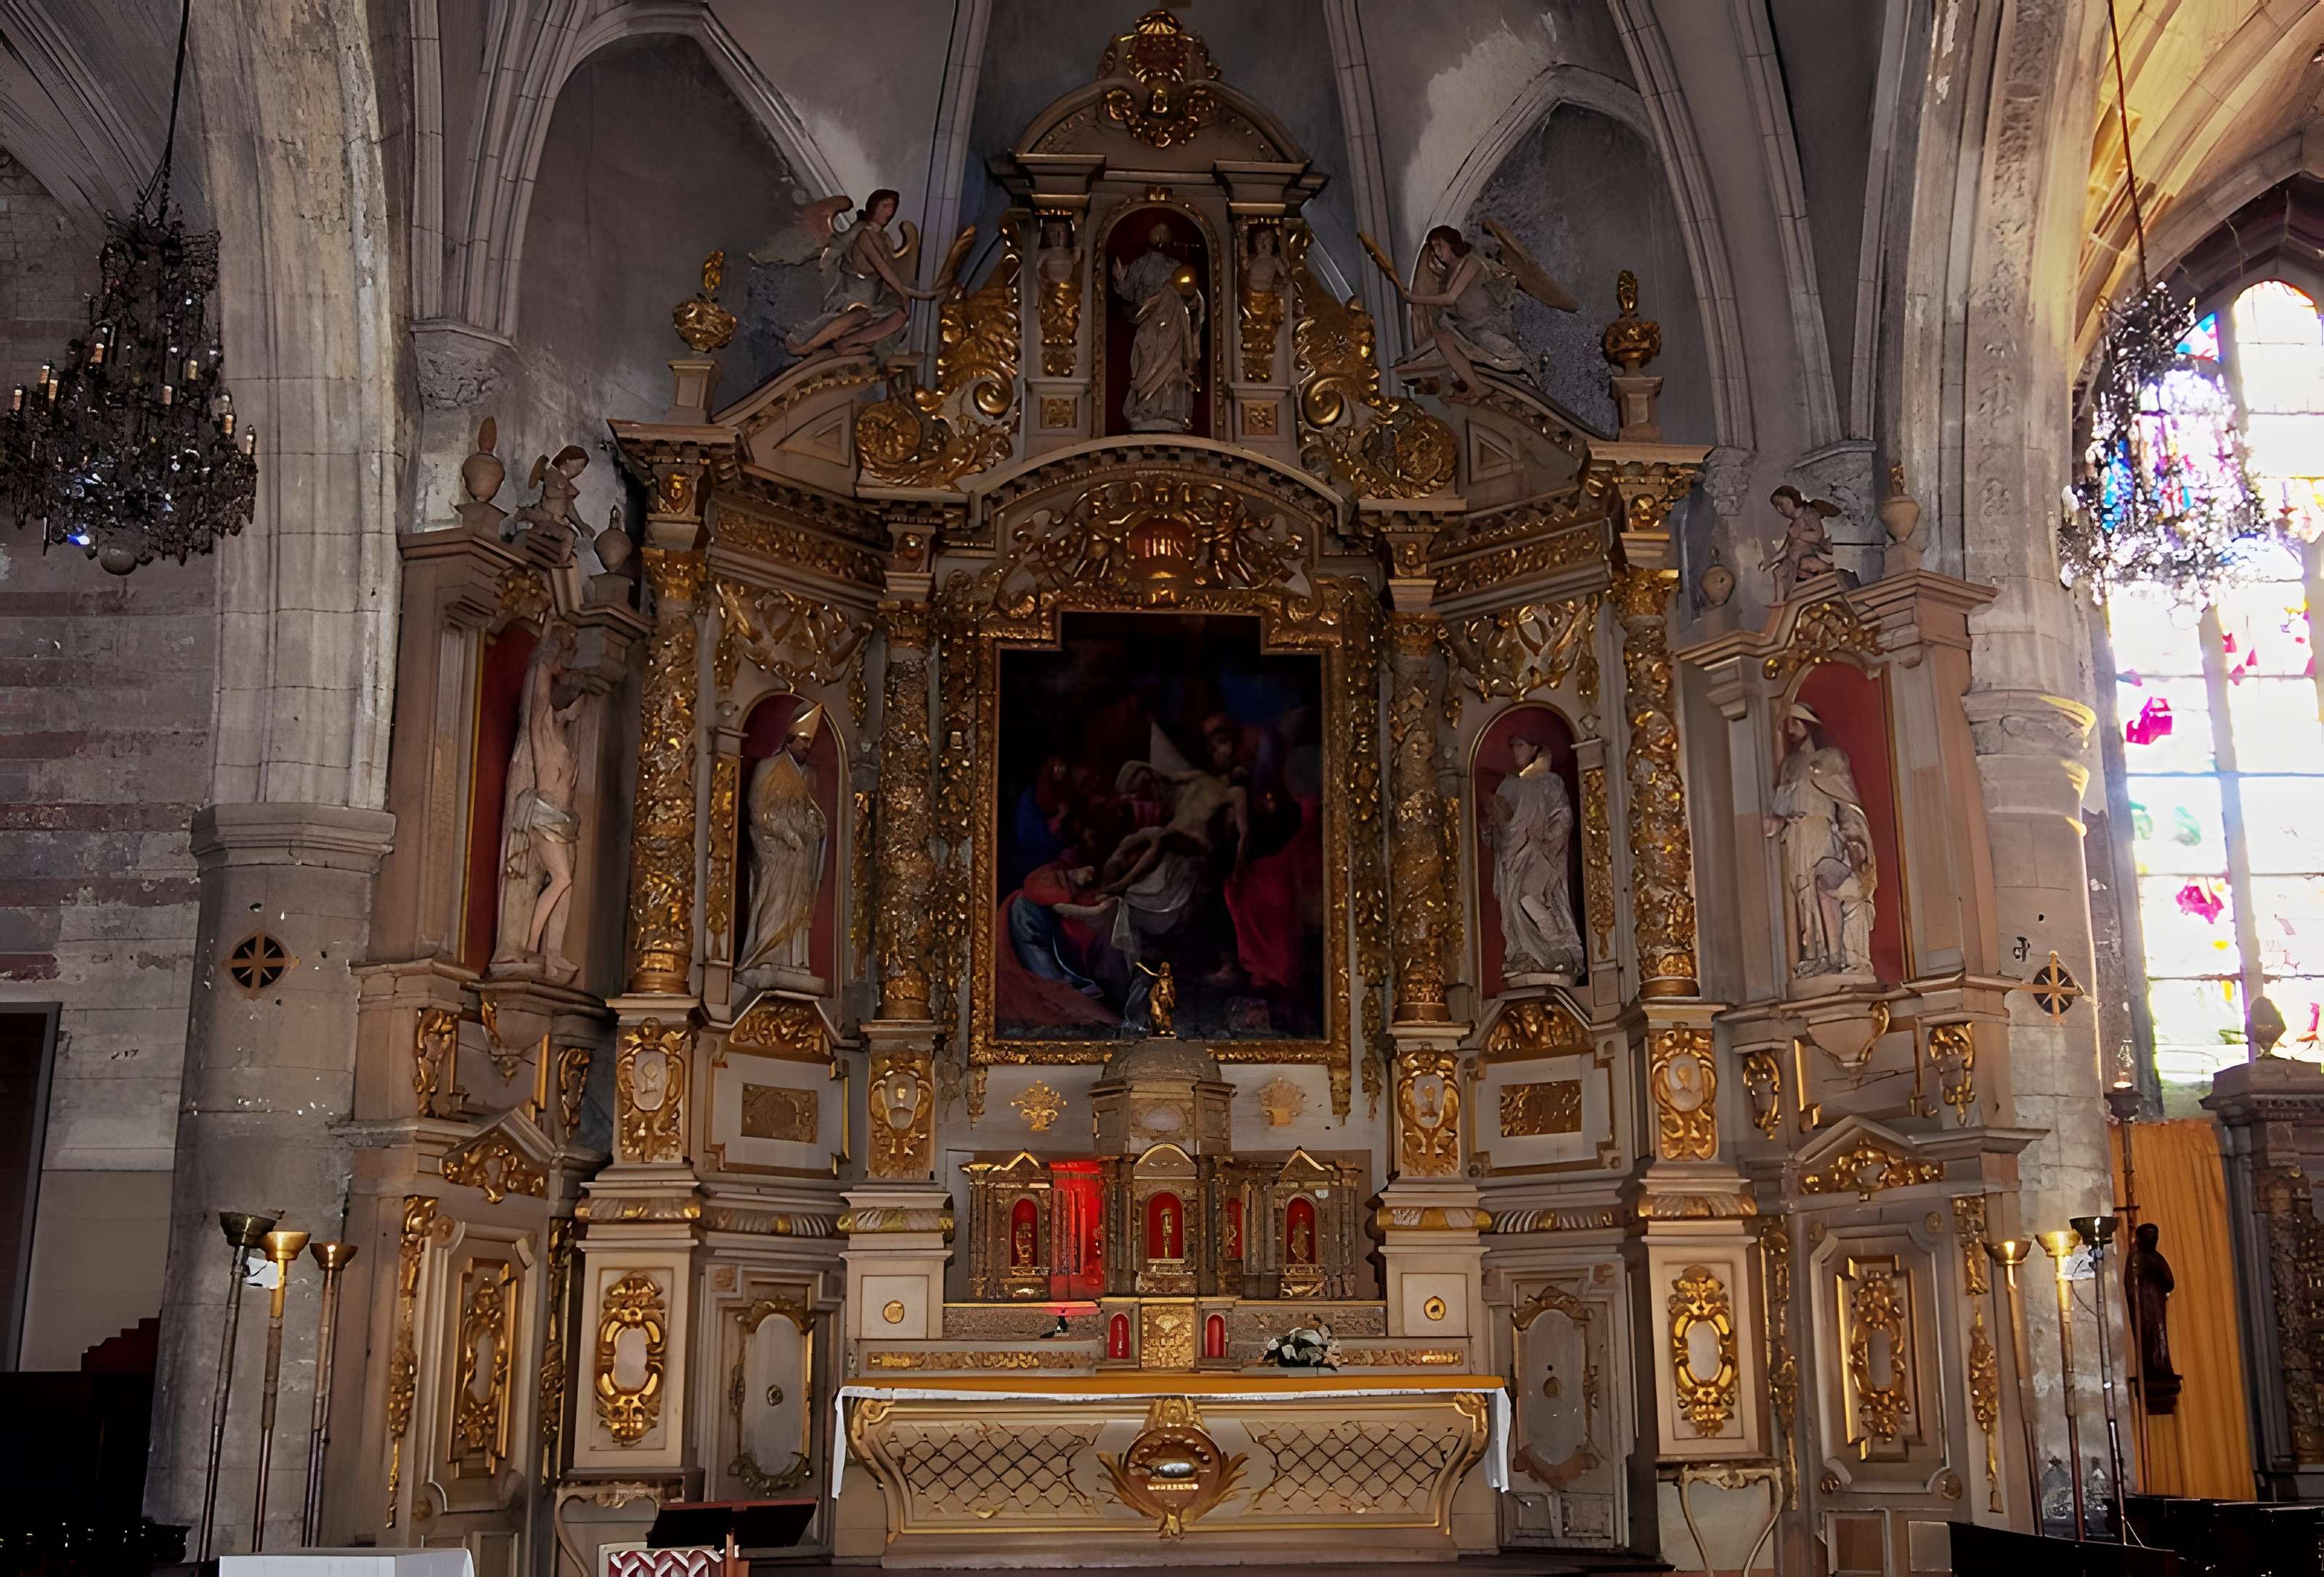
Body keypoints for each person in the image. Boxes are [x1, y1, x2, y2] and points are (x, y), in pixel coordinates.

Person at [1766, 701, 1878, 985]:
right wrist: (1778, 823)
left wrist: (1854, 839)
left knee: (1825, 887)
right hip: (1797, 837)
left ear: (1810, 725)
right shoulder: (1789, 766)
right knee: (1804, 895)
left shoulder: (1830, 759)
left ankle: (1836, 956)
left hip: (1823, 833)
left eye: (1797, 722)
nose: (1791, 730)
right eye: (1788, 723)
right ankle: (1815, 955)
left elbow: (1847, 804)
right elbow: (1781, 808)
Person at [739, 703, 827, 983]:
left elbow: (810, 810)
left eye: (809, 742)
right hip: (775, 852)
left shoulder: (808, 776)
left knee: (799, 910)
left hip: (801, 856)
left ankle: (794, 960)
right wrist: (786, 833)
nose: (806, 747)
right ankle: (764, 955)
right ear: (790, 739)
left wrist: (812, 828)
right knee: (775, 903)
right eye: (803, 741)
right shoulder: (769, 767)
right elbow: (758, 808)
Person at [1487, 733, 1585, 982]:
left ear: (1535, 748)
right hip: (1512, 858)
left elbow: (1563, 816)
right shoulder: (1508, 786)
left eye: (1520, 745)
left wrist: (1549, 841)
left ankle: (1558, 949)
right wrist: (1494, 823)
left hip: (1539, 853)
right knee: (1514, 904)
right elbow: (1495, 830)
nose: (1515, 751)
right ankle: (1526, 952)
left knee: (1530, 897)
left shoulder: (1550, 782)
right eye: (1513, 746)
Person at [1113, 223, 1203, 431]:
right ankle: (1146, 408)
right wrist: (1120, 280)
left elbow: (1191, 295)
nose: (1161, 239)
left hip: (1174, 325)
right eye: (1158, 235)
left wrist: (1192, 302)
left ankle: (1170, 410)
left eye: (1164, 236)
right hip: (1149, 324)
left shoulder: (1176, 266)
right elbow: (1128, 295)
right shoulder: (1140, 265)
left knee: (1172, 365)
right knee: (1147, 364)